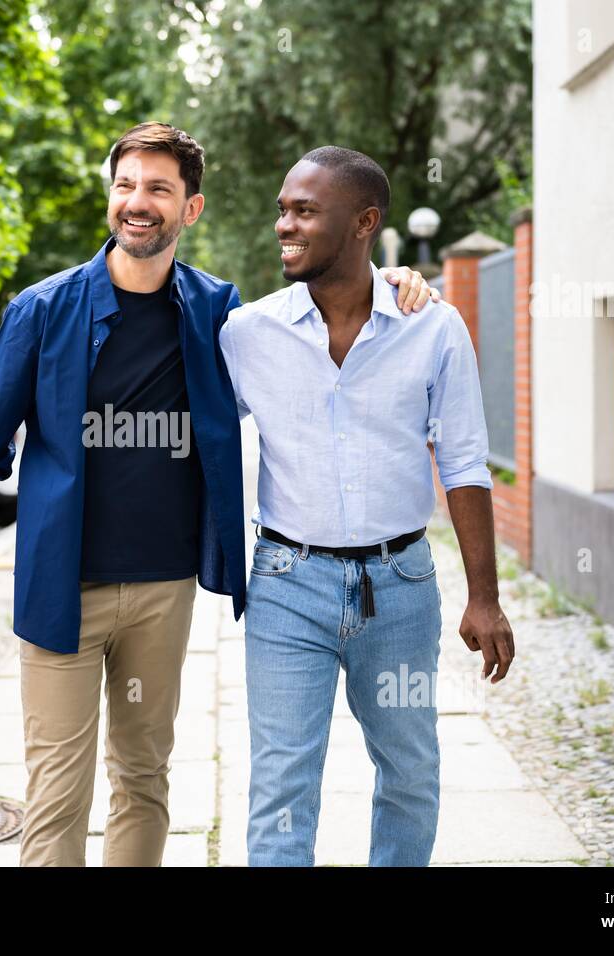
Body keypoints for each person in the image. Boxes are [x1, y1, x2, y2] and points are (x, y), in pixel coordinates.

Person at [0, 124, 436, 866]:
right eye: (126, 185)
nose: (138, 202)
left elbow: (313, 322)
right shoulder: (42, 312)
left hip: (164, 592)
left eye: (158, 189)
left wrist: (390, 282)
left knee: (144, 778)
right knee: (57, 793)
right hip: (58, 586)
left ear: (189, 210)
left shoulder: (215, 313)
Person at [218, 146, 516, 867]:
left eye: (304, 211)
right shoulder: (247, 334)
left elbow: (465, 462)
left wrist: (486, 598)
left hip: (401, 587)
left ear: (364, 222)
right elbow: (196, 438)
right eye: (283, 209)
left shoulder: (433, 327)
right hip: (288, 585)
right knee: (283, 786)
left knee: (410, 772)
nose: (284, 224)